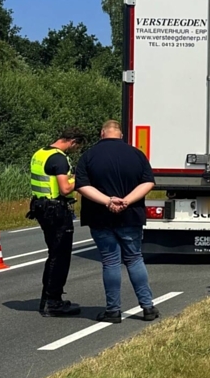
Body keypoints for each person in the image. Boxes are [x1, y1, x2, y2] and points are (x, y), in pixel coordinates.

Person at [74, 120, 158, 323]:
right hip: (130, 215)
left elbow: (82, 186)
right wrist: (126, 201)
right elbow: (148, 182)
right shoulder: (136, 154)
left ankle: (113, 311)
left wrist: (108, 201)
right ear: (121, 135)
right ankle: (147, 307)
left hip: (100, 216)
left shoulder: (89, 156)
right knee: (134, 259)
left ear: (102, 133)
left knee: (110, 261)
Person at [27, 127, 84, 317]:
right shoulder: (60, 159)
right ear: (73, 142)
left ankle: (48, 299)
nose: (75, 150)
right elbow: (65, 189)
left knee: (54, 254)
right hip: (56, 210)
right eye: (77, 147)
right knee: (60, 256)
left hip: (41, 207)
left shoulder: (40, 154)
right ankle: (53, 302)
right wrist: (80, 179)